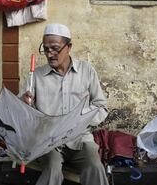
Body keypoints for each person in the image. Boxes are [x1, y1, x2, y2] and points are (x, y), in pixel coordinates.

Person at [20, 23, 109, 185]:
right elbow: (22, 113)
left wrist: (79, 119)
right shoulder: (36, 76)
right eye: (46, 49)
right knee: (52, 167)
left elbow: (101, 106)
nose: (50, 54)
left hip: (80, 137)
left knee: (95, 166)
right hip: (49, 140)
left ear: (69, 47)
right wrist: (24, 104)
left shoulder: (86, 71)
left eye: (55, 48)